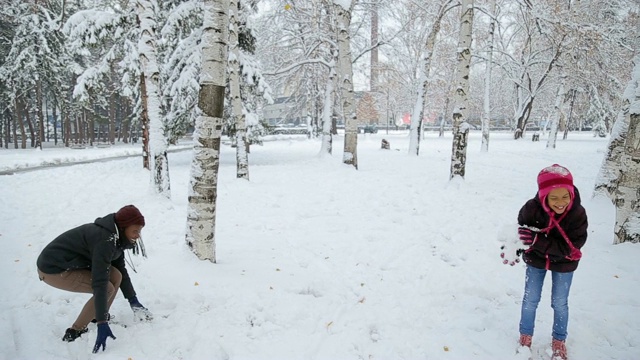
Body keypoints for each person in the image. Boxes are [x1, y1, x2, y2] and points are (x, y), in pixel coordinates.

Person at [37, 205, 153, 353]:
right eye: (135, 230)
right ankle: (75, 330)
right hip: (53, 270)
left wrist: (133, 300)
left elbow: (121, 270)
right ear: (123, 227)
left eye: (140, 230)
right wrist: (102, 323)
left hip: (70, 264)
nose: (138, 235)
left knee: (116, 276)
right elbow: (99, 281)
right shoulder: (105, 240)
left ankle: (96, 315)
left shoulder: (117, 237)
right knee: (106, 288)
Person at [514, 164, 588, 360]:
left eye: (565, 196)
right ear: (543, 195)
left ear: (572, 193)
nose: (560, 202)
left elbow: (572, 246)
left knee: (559, 302)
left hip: (565, 264)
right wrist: (514, 247)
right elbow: (520, 233)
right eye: (553, 197)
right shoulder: (531, 209)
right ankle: (525, 336)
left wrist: (538, 241)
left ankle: (559, 339)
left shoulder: (577, 214)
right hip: (536, 262)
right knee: (530, 299)